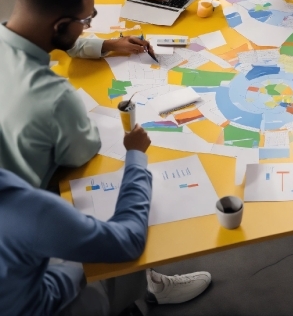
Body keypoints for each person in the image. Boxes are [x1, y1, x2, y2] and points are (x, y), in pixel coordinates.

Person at [0, 124, 212, 316]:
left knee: (81, 236)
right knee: (117, 251)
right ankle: (152, 289)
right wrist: (136, 158)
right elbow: (129, 239)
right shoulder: (25, 209)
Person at [0, 0, 156, 189]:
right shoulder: (56, 97)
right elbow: (82, 152)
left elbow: (60, 40)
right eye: (85, 21)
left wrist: (109, 44)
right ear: (60, 26)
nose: (87, 27)